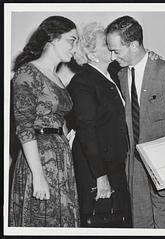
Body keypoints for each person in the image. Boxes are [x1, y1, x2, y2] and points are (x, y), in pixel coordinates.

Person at [106, 15, 165, 228]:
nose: (112, 56)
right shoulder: (119, 74)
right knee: (140, 224)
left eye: (116, 50)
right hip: (134, 167)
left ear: (134, 45)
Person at [9, 15, 80, 227]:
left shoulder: (56, 77)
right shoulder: (27, 73)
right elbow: (24, 128)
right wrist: (38, 177)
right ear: (53, 38)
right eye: (71, 40)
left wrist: (66, 138)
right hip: (39, 159)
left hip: (61, 158)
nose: (75, 47)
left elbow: (58, 116)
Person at [67, 22, 131, 227]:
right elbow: (87, 132)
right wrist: (100, 176)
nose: (112, 45)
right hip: (96, 168)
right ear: (92, 53)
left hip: (115, 164)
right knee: (103, 222)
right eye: (106, 43)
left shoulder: (111, 74)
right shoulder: (83, 82)